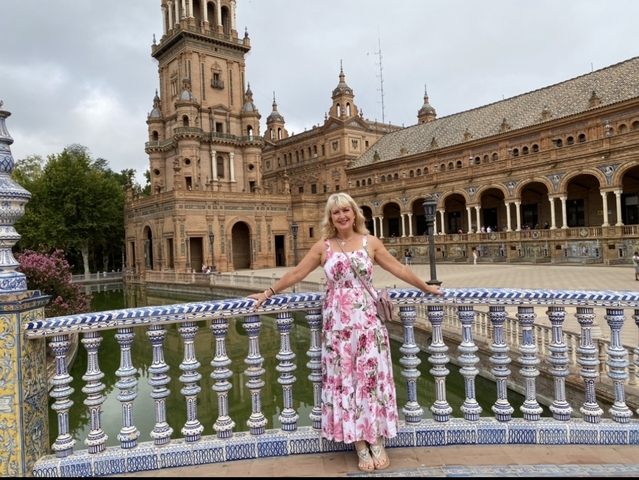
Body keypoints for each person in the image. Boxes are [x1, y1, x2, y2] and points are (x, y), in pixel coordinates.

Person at [249, 192, 442, 472]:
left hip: (367, 324)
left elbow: (398, 267)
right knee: (345, 382)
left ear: (355, 214)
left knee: (370, 380)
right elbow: (296, 274)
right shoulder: (323, 247)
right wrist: (268, 292)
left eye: (346, 211)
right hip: (338, 327)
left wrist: (426, 287)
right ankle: (359, 445)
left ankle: (375, 438)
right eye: (336, 212)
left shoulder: (370, 243)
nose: (342, 216)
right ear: (330, 218)